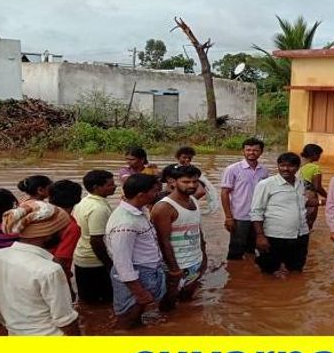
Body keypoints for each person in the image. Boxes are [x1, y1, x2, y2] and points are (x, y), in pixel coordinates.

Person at [0, 200, 80, 335]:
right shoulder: (50, 270)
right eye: (62, 229)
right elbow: (66, 321)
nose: (64, 233)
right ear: (49, 235)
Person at [106, 174, 165, 329]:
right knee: (126, 320)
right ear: (141, 195)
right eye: (154, 191)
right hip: (136, 275)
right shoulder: (126, 223)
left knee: (137, 316)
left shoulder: (139, 211)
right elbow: (122, 262)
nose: (157, 194)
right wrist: (139, 291)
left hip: (145, 272)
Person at [151, 165, 208, 311]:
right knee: (167, 305)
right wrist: (174, 269)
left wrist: (203, 256)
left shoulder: (193, 201)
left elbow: (198, 230)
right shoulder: (164, 208)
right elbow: (163, 242)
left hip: (195, 261)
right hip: (176, 265)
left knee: (187, 300)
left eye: (195, 182)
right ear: (173, 182)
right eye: (186, 182)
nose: (192, 185)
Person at [250, 152, 313, 274]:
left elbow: (302, 204)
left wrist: (324, 202)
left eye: (290, 166)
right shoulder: (266, 184)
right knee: (268, 272)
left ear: (297, 167)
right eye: (282, 165)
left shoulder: (301, 184)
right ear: (278, 166)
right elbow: (256, 211)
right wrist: (260, 236)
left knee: (296, 270)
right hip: (274, 236)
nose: (286, 169)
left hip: (300, 236)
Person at [221, 137, 269, 260]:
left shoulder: (264, 171)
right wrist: (228, 217)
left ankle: (248, 272)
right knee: (235, 251)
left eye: (255, 150)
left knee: (253, 249)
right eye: (248, 150)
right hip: (240, 217)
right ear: (243, 151)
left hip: (258, 217)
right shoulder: (232, 169)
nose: (251, 153)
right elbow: (224, 193)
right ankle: (234, 275)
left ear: (261, 152)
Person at [73, 170, 116, 304]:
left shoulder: (84, 201)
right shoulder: (98, 208)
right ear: (96, 187)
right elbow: (96, 240)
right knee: (104, 302)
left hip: (83, 257)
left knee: (88, 301)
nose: (115, 187)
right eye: (110, 185)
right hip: (95, 261)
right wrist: (109, 264)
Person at [48, 180, 83, 299]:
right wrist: (68, 289)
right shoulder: (71, 226)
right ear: (78, 199)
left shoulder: (39, 215)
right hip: (51, 276)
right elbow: (60, 262)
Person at [299, 143, 328, 229]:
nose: (319, 157)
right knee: (308, 222)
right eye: (319, 154)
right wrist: (328, 196)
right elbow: (317, 187)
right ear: (314, 154)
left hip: (295, 196)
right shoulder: (314, 168)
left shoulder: (296, 164)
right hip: (309, 197)